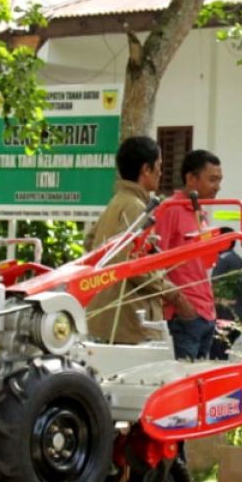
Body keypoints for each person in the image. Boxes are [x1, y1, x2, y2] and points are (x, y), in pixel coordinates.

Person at [84, 136, 195, 345]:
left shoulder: (117, 201)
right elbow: (132, 264)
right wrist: (175, 296)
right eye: (159, 166)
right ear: (146, 169)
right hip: (129, 322)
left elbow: (90, 243)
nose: (161, 172)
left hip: (105, 317)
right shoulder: (136, 207)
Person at [155, 149, 224, 361]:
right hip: (185, 316)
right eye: (212, 179)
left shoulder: (201, 212)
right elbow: (153, 262)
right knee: (182, 383)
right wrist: (180, 303)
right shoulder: (170, 209)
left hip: (205, 315)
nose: (217, 187)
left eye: (219, 180)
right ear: (191, 179)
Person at [210, 227, 242, 361]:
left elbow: (214, 289)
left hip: (222, 318)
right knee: (221, 356)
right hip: (237, 317)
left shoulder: (222, 260)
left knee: (215, 360)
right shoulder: (240, 261)